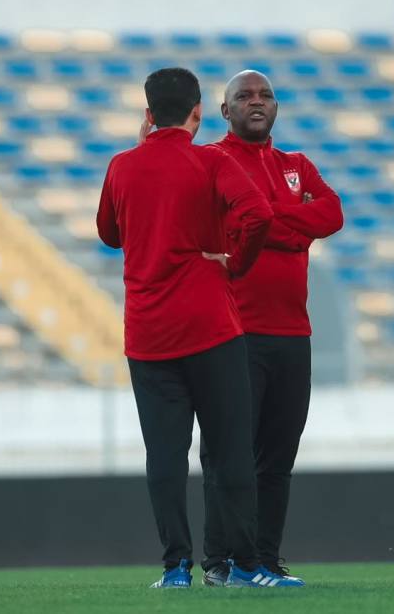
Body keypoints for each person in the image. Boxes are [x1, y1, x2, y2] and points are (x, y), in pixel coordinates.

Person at [96, 67, 301, 589]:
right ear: (198, 112)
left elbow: (109, 233)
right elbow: (256, 214)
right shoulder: (214, 160)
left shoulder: (122, 166)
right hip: (212, 326)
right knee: (232, 452)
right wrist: (236, 262)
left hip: (148, 334)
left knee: (164, 456)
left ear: (147, 114)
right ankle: (248, 567)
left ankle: (174, 567)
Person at [199, 70, 344, 587]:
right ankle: (219, 561)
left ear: (276, 106)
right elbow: (263, 224)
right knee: (227, 452)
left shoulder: (296, 164)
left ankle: (264, 558)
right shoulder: (211, 161)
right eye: (244, 96)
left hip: (292, 333)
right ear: (225, 110)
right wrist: (293, 223)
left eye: (264, 95)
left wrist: (263, 225)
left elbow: (332, 214)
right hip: (234, 331)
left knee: (278, 456)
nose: (255, 102)